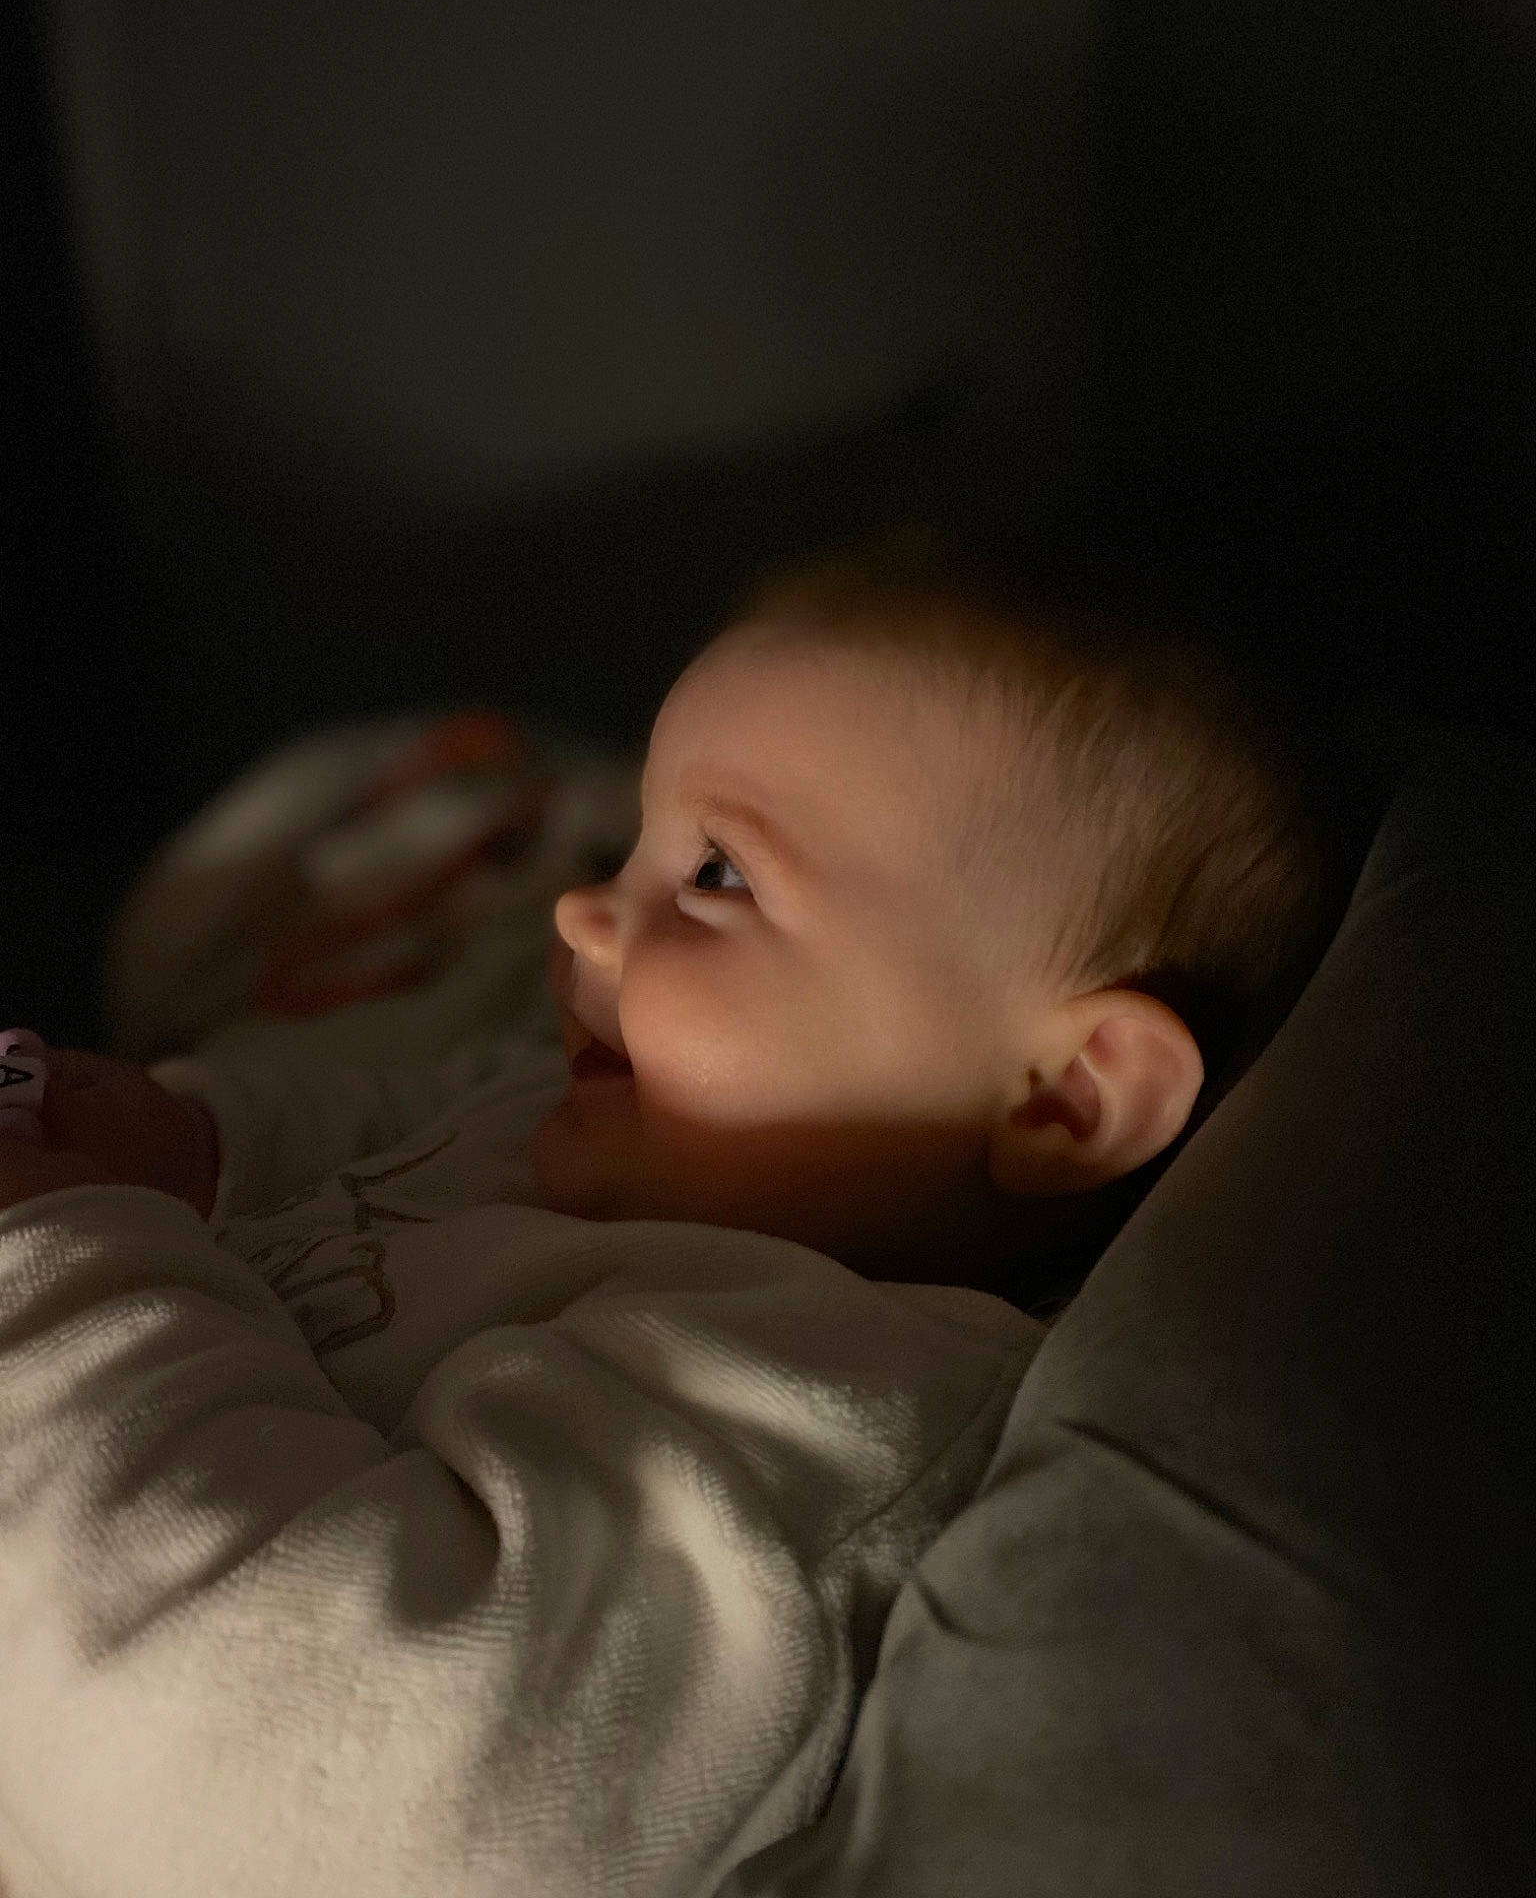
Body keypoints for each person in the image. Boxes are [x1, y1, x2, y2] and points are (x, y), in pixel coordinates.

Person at [0, 528, 1364, 1898]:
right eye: (630, 844)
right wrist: (191, 1141)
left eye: (716, 876)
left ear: (1064, 1100)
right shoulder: (644, 1140)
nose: (584, 912)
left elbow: (348, 1784)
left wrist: (59, 1275)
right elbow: (411, 1116)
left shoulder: (822, 1420)